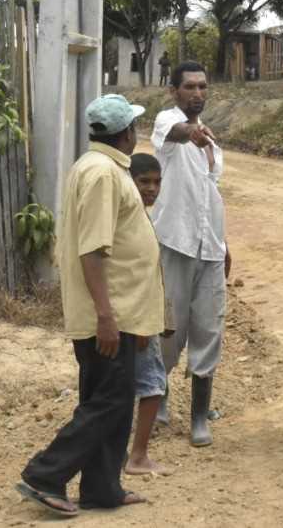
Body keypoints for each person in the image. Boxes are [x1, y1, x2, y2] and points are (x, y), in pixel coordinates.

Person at [16, 94, 164, 517]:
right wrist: (106, 316)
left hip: (122, 311)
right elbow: (92, 251)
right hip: (110, 313)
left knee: (111, 401)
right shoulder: (102, 174)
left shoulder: (98, 168)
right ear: (127, 133)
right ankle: (46, 474)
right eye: (135, 127)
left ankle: (103, 489)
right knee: (110, 402)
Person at [150, 61, 229, 447]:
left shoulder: (213, 143)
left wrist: (224, 247)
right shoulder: (167, 124)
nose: (197, 93)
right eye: (189, 87)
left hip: (210, 249)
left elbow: (210, 195)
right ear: (174, 91)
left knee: (208, 330)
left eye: (202, 87)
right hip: (174, 244)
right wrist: (191, 133)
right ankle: (157, 396)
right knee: (168, 328)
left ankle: (200, 416)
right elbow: (180, 133)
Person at [126, 152, 176, 476]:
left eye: (157, 182)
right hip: (137, 319)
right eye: (144, 182)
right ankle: (138, 457)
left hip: (144, 316)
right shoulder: (131, 220)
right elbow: (136, 276)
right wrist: (144, 325)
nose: (152, 189)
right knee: (152, 385)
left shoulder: (142, 217)